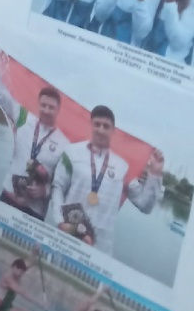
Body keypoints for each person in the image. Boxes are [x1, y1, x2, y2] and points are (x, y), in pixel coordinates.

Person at [0, 39, 69, 221]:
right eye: (43, 105)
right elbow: (0, 93)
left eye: (51, 107)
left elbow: (63, 186)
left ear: (58, 110)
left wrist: (45, 191)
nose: (46, 110)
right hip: (7, 198)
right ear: (38, 105)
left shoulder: (65, 144)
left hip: (33, 213)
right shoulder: (24, 117)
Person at [55, 107, 154, 256]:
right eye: (97, 124)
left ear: (113, 131)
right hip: (68, 236)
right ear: (91, 125)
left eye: (106, 126)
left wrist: (155, 175)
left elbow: (145, 206)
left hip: (100, 248)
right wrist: (59, 221)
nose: (101, 130)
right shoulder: (72, 152)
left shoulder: (122, 167)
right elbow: (57, 188)